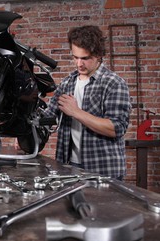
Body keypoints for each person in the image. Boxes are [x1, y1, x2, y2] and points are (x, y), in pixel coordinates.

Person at [45, 25, 131, 180]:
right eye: (75, 57)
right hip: (68, 166)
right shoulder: (67, 83)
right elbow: (47, 118)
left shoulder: (114, 83)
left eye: (85, 58)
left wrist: (76, 112)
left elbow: (116, 128)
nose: (79, 64)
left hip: (102, 169)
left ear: (98, 55)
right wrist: (25, 134)